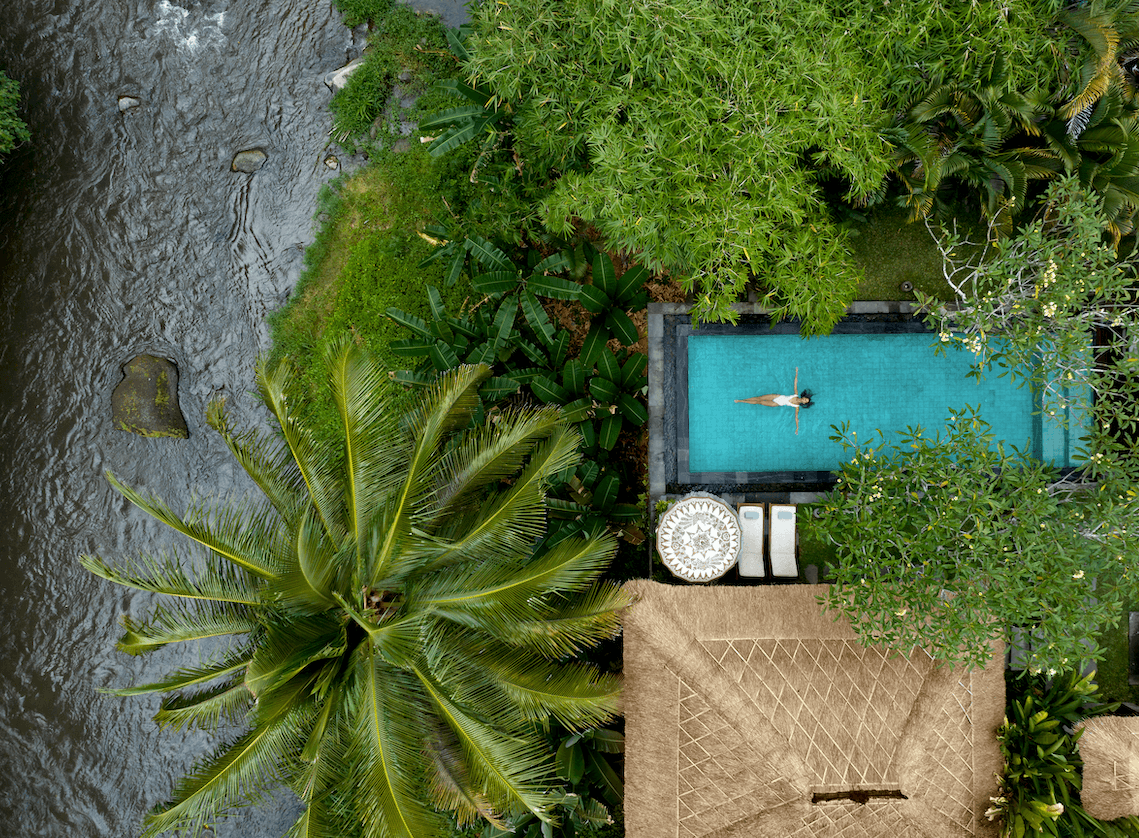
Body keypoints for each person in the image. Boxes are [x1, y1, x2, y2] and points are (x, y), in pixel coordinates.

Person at [735, 368, 814, 433]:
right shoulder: (796, 394)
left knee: (759, 402)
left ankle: (741, 401)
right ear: (803, 397)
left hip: (776, 404)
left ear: (804, 403)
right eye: (805, 398)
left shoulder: (797, 407)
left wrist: (797, 428)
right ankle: (741, 400)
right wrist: (796, 372)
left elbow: (796, 418)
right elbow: (795, 383)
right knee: (759, 397)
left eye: (805, 401)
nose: (804, 400)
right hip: (777, 396)